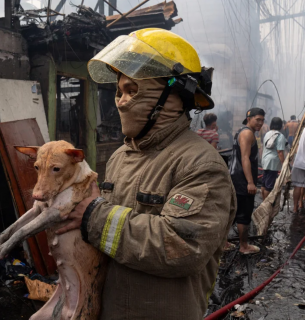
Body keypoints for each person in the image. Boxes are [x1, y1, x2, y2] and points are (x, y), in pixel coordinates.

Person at [55, 28, 236, 320]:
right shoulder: (120, 157)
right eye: (119, 91)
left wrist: (93, 216)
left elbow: (181, 245)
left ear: (173, 94)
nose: (121, 101)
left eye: (132, 90)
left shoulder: (201, 165)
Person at [230, 108, 265, 254]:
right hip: (242, 180)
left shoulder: (244, 131)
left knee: (232, 211)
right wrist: (250, 182)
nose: (260, 123)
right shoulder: (247, 133)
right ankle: (244, 246)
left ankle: (223, 242)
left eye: (262, 120)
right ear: (249, 118)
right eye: (258, 119)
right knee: (244, 214)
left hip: (236, 177)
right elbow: (245, 158)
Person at [261, 117, 286, 200]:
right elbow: (280, 152)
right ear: (280, 125)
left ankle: (264, 202)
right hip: (273, 163)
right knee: (269, 185)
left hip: (265, 161)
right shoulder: (280, 136)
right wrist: (284, 164)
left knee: (264, 184)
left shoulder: (267, 134)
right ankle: (266, 204)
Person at [291, 127, 305, 213]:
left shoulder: (303, 130)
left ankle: (296, 207)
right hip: (300, 162)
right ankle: (300, 203)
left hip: (299, 162)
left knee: (298, 185)